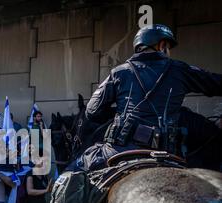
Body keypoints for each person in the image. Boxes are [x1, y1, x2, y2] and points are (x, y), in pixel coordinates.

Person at [71, 24, 222, 172]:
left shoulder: (119, 72)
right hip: (168, 154)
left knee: (70, 173)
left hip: (119, 151)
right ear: (162, 45)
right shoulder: (181, 70)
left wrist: (118, 114)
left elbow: (91, 111)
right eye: (168, 47)